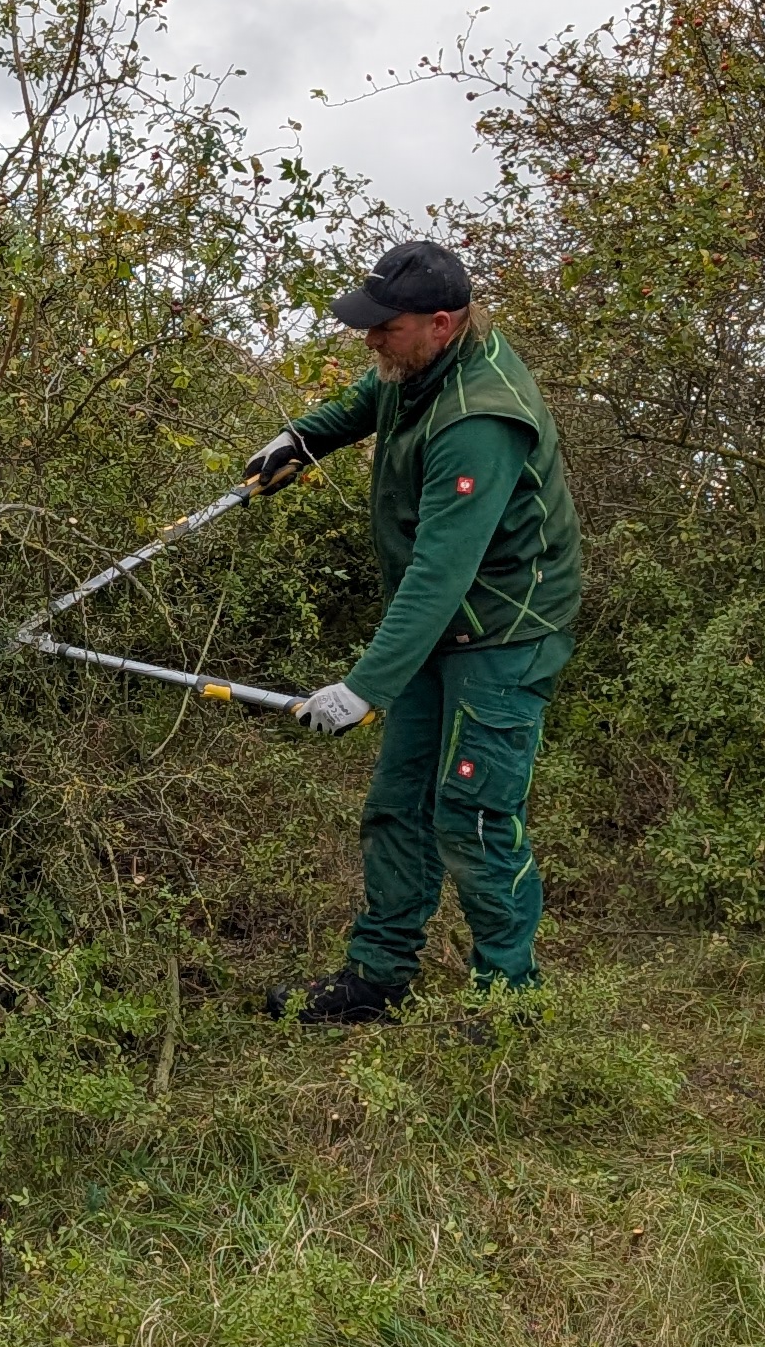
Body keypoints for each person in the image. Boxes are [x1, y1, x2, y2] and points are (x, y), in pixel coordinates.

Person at [247, 242, 583, 1022]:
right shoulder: (420, 364)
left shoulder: (479, 418)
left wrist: (364, 687)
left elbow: (439, 573)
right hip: (442, 623)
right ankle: (378, 977)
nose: (371, 339)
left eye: (385, 327)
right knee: (398, 801)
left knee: (474, 814)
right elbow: (371, 396)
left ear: (441, 323)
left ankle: (508, 1005)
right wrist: (303, 440)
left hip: (505, 629)